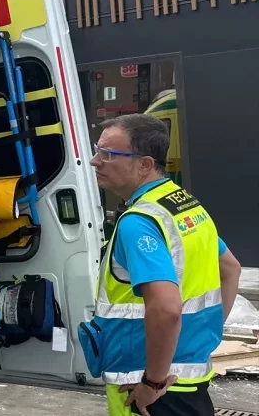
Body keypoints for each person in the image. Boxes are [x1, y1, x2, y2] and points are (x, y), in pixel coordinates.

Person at [84, 114, 242, 416]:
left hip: (147, 387)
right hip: (187, 381)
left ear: (144, 164)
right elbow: (230, 268)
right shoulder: (183, 206)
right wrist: (197, 338)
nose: (94, 161)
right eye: (97, 150)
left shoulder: (139, 223)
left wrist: (152, 382)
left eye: (107, 154)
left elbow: (167, 308)